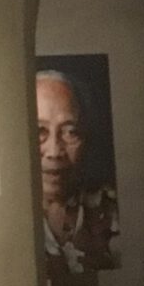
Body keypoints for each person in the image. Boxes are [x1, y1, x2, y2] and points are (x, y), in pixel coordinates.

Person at [36, 66, 120, 272]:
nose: (55, 152)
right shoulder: (2, 215)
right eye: (39, 131)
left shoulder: (112, 207)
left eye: (70, 132)